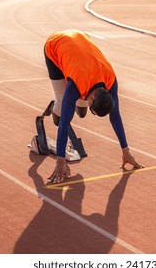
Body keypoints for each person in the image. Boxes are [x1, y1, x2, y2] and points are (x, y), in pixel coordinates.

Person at [44, 29, 144, 183]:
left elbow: (115, 115)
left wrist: (126, 151)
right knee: (61, 113)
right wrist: (60, 161)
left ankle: (73, 105)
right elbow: (65, 123)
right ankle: (55, 106)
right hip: (55, 45)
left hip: (80, 43)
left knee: (81, 112)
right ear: (91, 100)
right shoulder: (75, 86)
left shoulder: (110, 81)